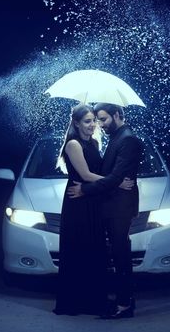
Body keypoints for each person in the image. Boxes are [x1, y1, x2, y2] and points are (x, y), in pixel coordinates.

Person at [53, 103, 133, 316]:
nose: (92, 125)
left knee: (94, 249)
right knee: (79, 248)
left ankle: (94, 299)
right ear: (77, 123)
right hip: (78, 201)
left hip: (91, 199)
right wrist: (117, 182)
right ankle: (77, 302)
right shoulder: (73, 144)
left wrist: (108, 181)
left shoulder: (95, 143)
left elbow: (98, 172)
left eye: (94, 120)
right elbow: (87, 175)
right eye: (87, 121)